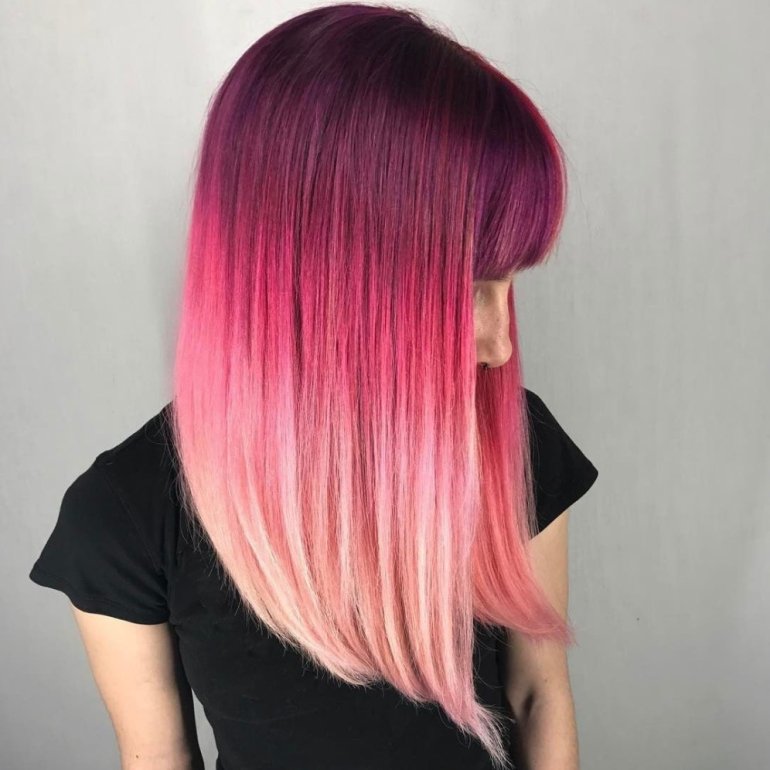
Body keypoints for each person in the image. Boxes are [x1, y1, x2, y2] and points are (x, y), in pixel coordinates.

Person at [28, 5, 599, 770]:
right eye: (468, 291)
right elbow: (157, 757)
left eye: (508, 288)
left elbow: (537, 694)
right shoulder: (124, 515)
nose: (500, 346)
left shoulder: (506, 440)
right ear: (327, 282)